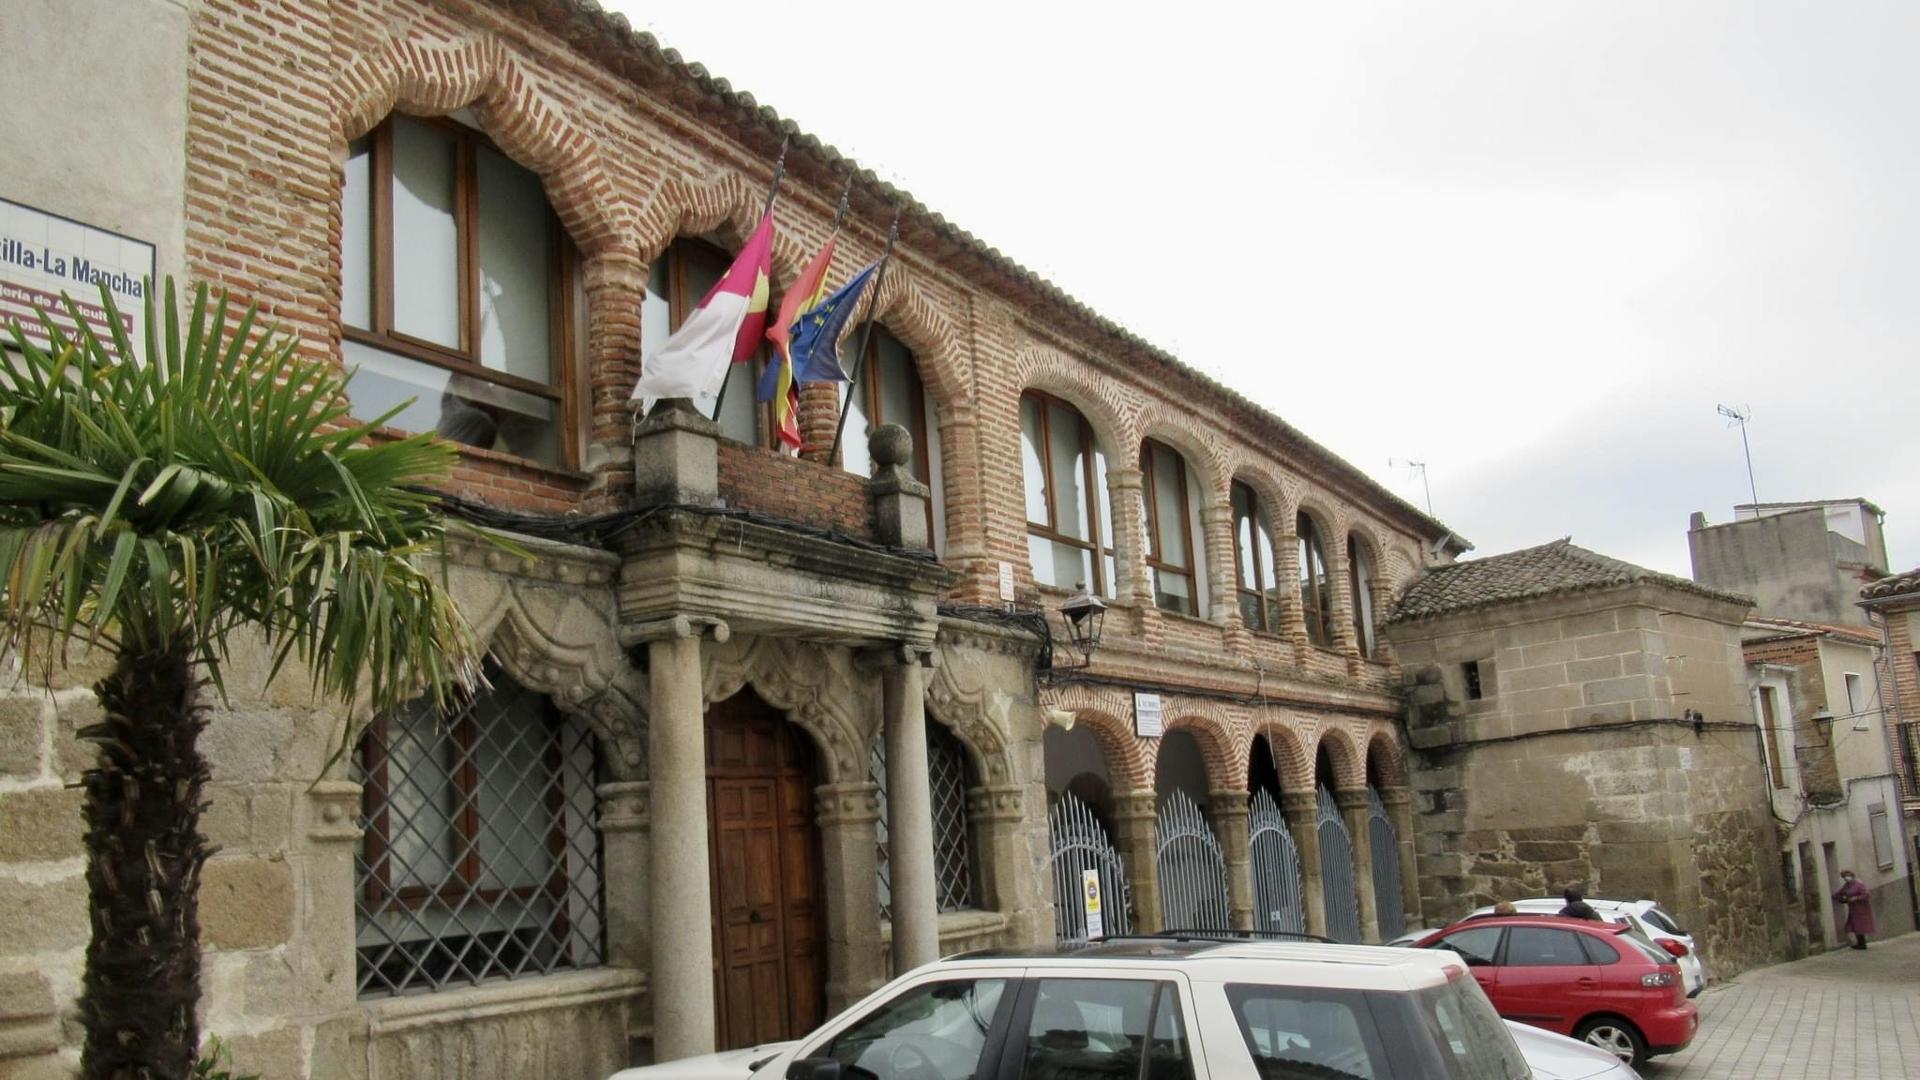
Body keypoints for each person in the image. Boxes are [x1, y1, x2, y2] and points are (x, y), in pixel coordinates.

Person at [1833, 870, 1874, 949]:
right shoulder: (1846, 886)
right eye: (1844, 877)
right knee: (1854, 925)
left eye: (1847, 876)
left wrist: (1856, 898)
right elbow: (1839, 893)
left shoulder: (1858, 885)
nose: (1846, 878)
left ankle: (1862, 944)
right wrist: (1841, 898)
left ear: (1852, 876)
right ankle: (1860, 943)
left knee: (1860, 925)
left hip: (1861, 908)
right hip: (1853, 909)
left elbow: (1867, 894)